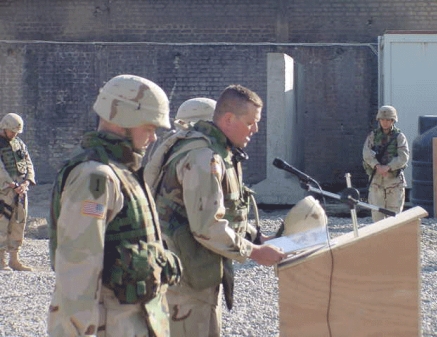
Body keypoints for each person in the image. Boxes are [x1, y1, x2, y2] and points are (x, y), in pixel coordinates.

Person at [144, 84, 286, 337]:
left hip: (198, 270)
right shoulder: (203, 157)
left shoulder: (219, 153)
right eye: (251, 122)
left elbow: (226, 208)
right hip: (184, 282)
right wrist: (254, 252)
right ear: (228, 119)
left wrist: (256, 237)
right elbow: (207, 225)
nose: (256, 129)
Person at [47, 74, 182, 337]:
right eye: (149, 127)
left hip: (137, 321)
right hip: (111, 324)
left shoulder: (123, 171)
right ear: (125, 119)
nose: (153, 138)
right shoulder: (95, 176)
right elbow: (78, 267)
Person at [0, 113, 35, 271]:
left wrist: (26, 182)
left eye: (16, 132)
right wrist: (12, 184)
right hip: (4, 191)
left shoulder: (19, 143)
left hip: (20, 190)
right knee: (2, 223)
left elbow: (28, 163)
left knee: (18, 222)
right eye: (12, 131)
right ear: (4, 128)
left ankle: (14, 259)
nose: (14, 134)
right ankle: (1, 260)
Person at [362, 105, 409, 222]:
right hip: (377, 181)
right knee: (377, 215)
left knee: (394, 216)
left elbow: (404, 156)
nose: (385, 122)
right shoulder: (373, 135)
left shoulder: (399, 137)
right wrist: (377, 166)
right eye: (382, 119)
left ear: (393, 121)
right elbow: (366, 153)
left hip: (394, 181)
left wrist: (388, 167)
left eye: (388, 120)